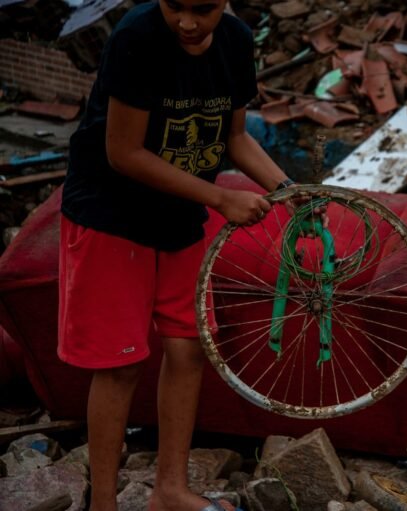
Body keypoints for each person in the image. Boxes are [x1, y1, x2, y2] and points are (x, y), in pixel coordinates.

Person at [57, 0, 296, 510]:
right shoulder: (136, 38)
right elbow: (123, 153)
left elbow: (234, 138)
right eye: (175, 6)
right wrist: (220, 198)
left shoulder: (235, 41)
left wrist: (288, 190)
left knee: (189, 348)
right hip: (111, 215)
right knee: (120, 364)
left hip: (181, 216)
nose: (188, 22)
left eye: (203, 9)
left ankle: (170, 489)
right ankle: (104, 503)